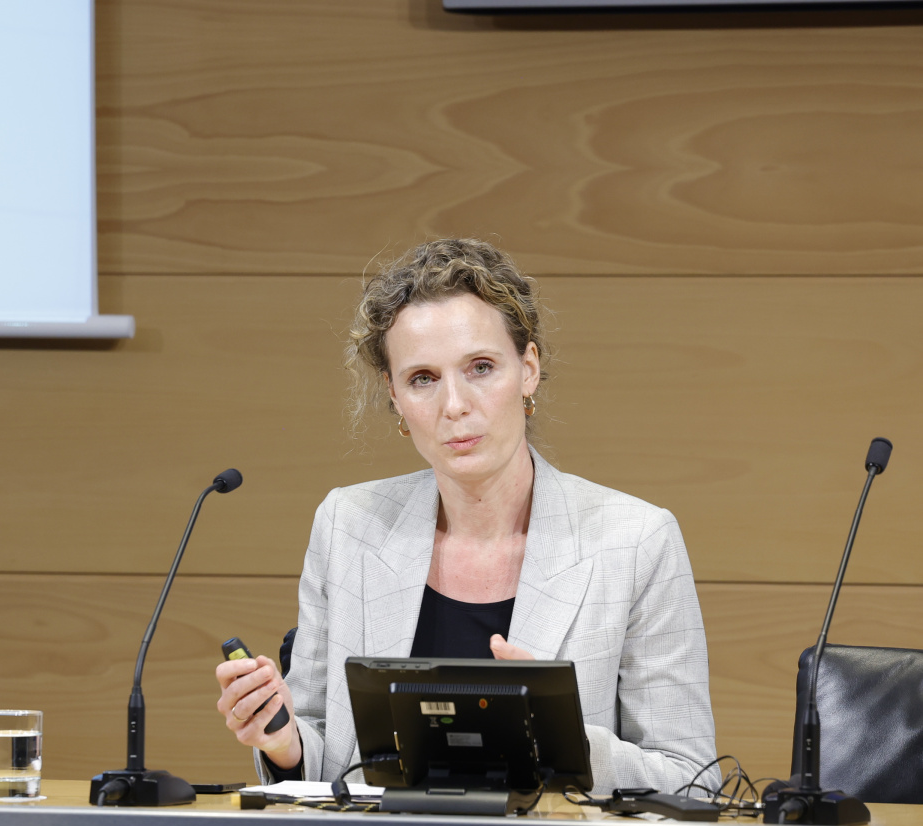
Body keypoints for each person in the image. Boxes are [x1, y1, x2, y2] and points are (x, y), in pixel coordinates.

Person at [214, 239, 717, 793]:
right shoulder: (348, 525)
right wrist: (282, 742)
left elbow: (691, 781)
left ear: (528, 369)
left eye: (480, 367)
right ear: (395, 398)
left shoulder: (636, 540)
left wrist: (568, 741)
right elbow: (325, 754)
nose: (453, 404)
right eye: (422, 379)